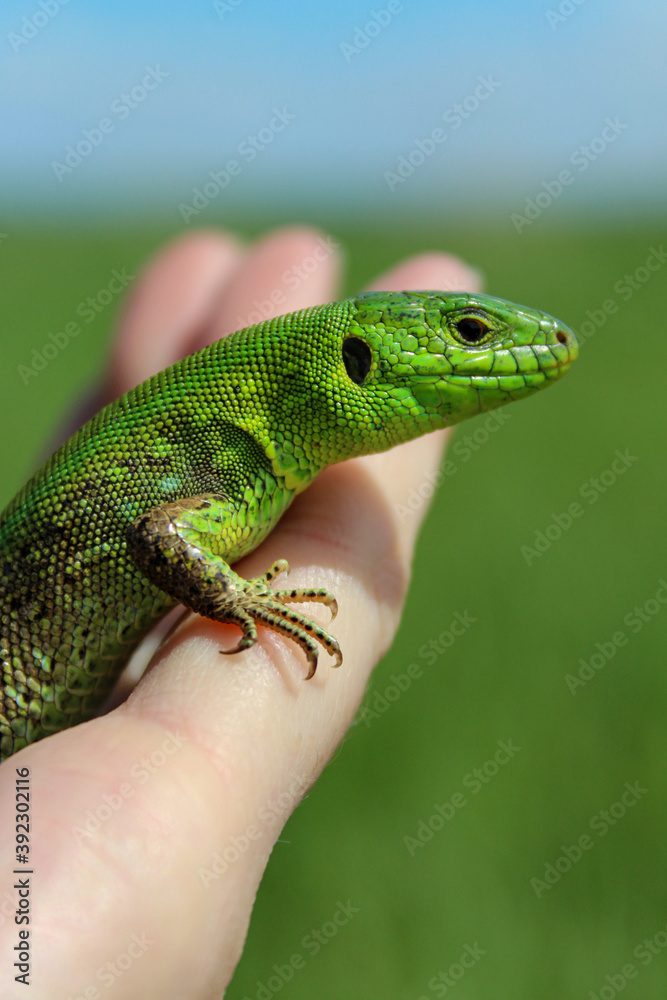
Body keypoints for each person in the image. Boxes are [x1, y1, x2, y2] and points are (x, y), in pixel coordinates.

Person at [0, 226, 482, 997]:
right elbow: (160, 536)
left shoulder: (249, 457)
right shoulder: (234, 471)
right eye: (470, 333)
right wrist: (234, 599)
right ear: (357, 360)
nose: (540, 344)